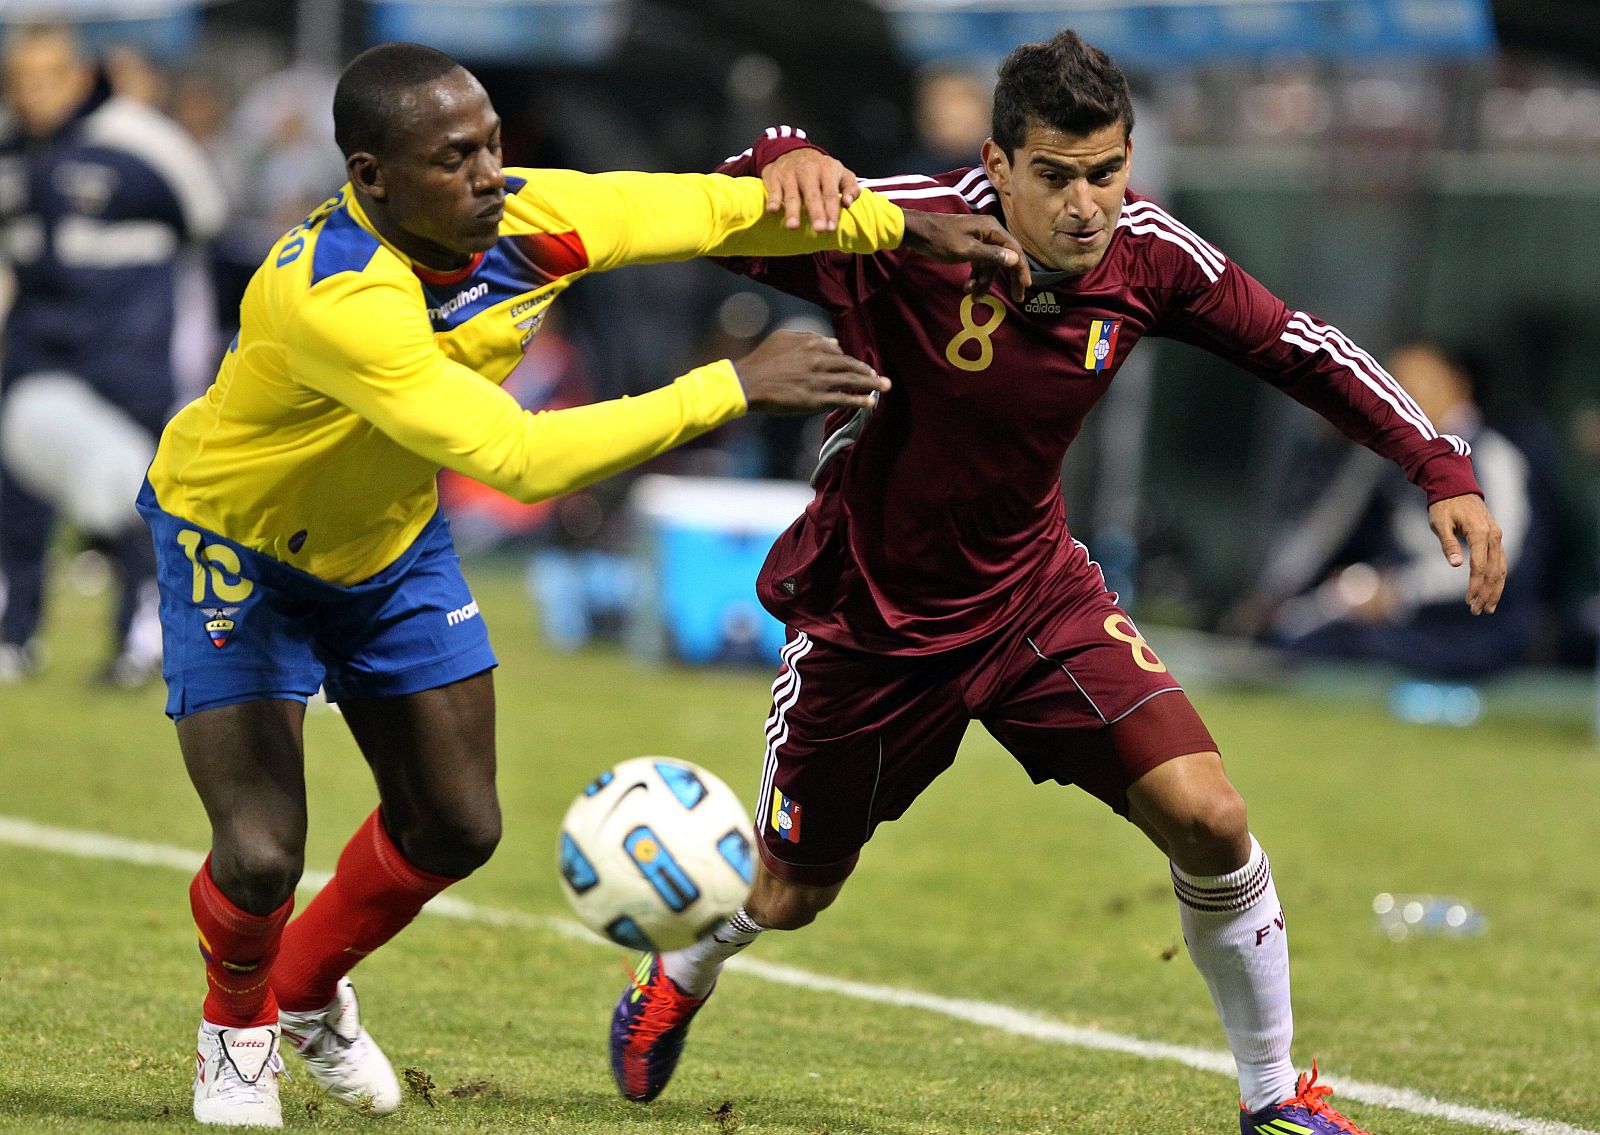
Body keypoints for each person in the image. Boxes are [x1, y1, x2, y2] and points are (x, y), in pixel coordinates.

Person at [607, 30, 1506, 1135]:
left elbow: (1301, 346)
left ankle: (1272, 1096)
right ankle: (683, 973)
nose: (1088, 206)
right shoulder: (900, 226)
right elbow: (700, 215)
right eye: (1056, 176)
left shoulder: (1151, 255)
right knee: (789, 895)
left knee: (1210, 815)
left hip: (1036, 599)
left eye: (1107, 171)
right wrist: (778, 152)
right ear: (996, 163)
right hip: (869, 621)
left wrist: (1440, 463)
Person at [141, 40, 1027, 1129]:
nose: (486, 176)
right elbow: (516, 458)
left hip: (384, 543)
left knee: (457, 826)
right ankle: (237, 1029)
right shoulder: (333, 293)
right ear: (371, 177)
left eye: (492, 146)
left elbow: (713, 212)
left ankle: (305, 993)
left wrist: (908, 227)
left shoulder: (531, 215)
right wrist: (727, 387)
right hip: (236, 544)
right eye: (451, 158)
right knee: (263, 848)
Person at [0, 25, 226, 686]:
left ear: (77, 76)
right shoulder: (12, 146)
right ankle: (17, 634)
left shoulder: (143, 142)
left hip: (125, 350)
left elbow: (207, 217)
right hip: (39, 347)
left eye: (46, 78)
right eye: (20, 80)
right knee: (18, 492)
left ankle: (142, 637)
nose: (32, 93)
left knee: (135, 495)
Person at [1235, 339, 1551, 681]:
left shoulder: (1494, 455)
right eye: (1397, 385)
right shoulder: (1389, 452)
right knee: (1296, 635)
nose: (1408, 396)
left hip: (1472, 624)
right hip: (1399, 611)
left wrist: (1397, 592)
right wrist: (1275, 592)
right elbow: (1329, 525)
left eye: (1420, 384)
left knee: (1344, 651)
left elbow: (1500, 560)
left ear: (1458, 386)